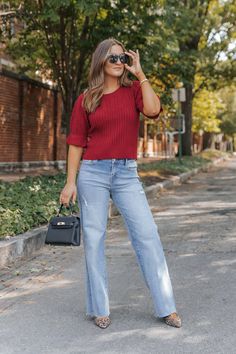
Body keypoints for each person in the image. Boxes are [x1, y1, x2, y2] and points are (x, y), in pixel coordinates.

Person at [59, 38, 182, 329]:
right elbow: (76, 143)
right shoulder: (86, 98)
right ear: (101, 60)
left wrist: (140, 73)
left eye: (121, 57)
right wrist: (70, 182)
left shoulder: (134, 91)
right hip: (93, 173)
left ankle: (167, 307)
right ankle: (100, 308)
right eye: (112, 57)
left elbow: (153, 110)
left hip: (126, 173)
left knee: (148, 235)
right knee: (95, 239)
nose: (117, 61)